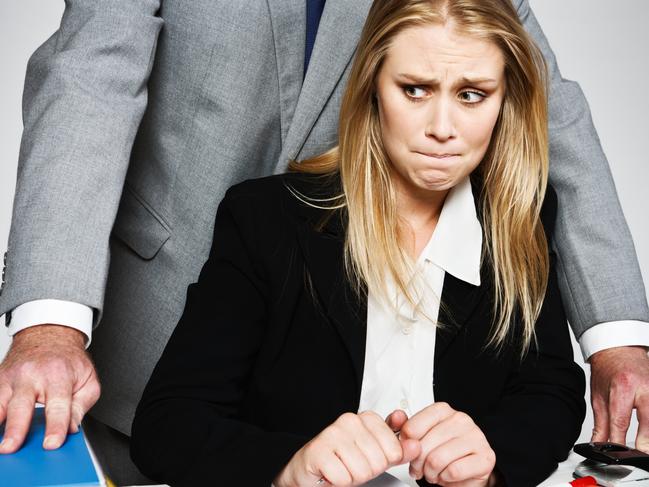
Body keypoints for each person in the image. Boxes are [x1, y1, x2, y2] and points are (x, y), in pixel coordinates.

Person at [0, 0, 646, 484]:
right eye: (416, 91)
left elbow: (542, 105)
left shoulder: (511, 227)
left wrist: (615, 340)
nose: (443, 124)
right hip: (160, 306)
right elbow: (90, 74)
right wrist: (51, 323)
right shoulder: (262, 219)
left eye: (468, 98)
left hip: (368, 253)